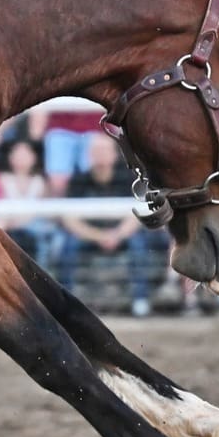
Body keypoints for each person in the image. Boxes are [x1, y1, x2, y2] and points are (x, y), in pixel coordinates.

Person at [55, 133, 157, 317]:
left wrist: (117, 234)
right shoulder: (79, 180)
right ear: (89, 155)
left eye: (104, 151)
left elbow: (139, 213)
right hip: (89, 236)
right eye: (96, 151)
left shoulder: (128, 179)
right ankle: (65, 302)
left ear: (114, 154)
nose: (100, 155)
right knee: (68, 245)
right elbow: (69, 218)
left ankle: (140, 299)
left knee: (139, 244)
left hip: (122, 234)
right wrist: (100, 236)